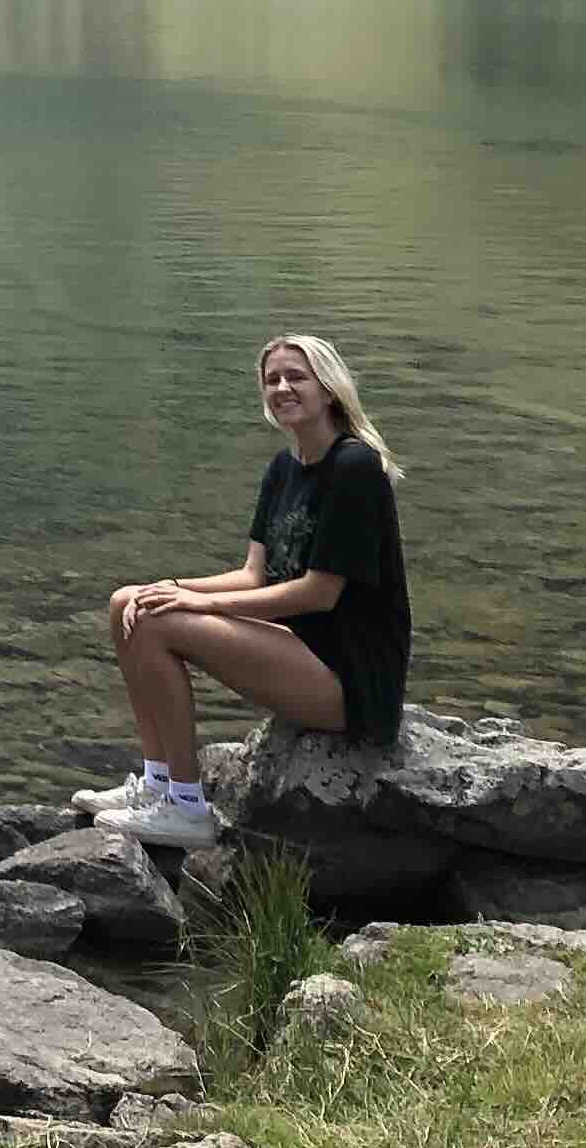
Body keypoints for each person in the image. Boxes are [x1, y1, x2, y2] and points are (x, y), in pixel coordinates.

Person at [86, 334, 411, 848]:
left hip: (348, 678)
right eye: (272, 379)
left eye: (296, 377)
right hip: (301, 649)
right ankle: (156, 784)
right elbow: (255, 575)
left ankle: (186, 809)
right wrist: (171, 585)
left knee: (157, 622)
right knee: (128, 602)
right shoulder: (284, 468)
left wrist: (201, 603)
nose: (282, 387)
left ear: (329, 390)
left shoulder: (355, 467)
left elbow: (318, 594)